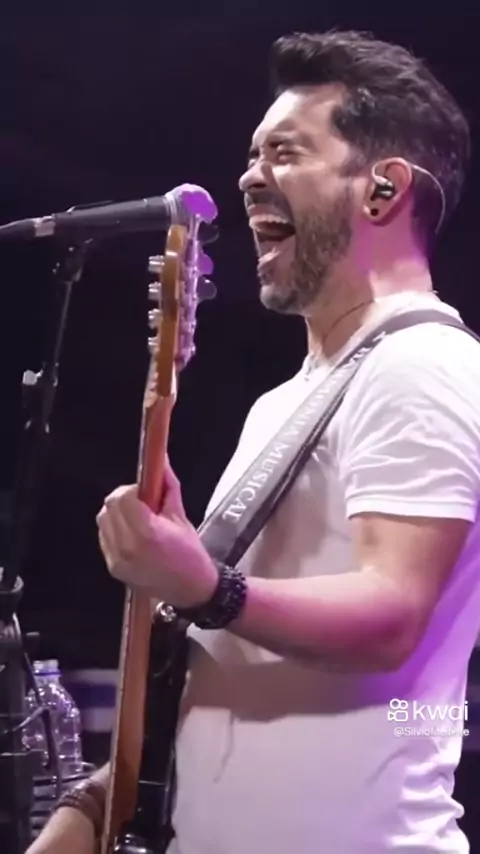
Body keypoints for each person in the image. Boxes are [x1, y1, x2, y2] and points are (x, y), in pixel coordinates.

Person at [28, 28, 479, 854]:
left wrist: (209, 587)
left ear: (383, 189)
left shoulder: (422, 362)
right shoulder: (283, 404)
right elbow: (215, 675)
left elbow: (392, 614)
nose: (249, 176)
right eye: (251, 154)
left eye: (285, 153)